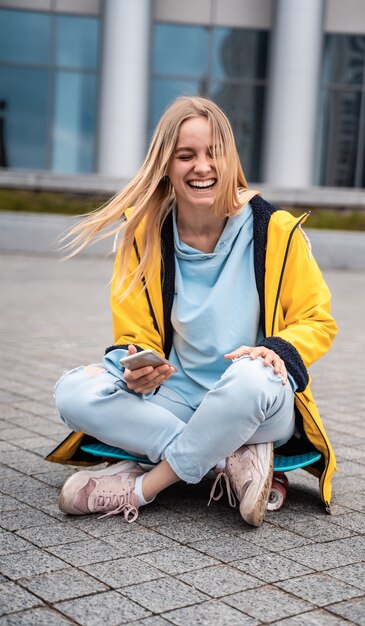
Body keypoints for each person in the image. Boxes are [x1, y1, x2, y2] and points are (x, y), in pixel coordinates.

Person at [47, 96, 338, 527]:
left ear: (230, 158)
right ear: (166, 164)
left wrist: (278, 348)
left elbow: (317, 319)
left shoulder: (276, 231)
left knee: (251, 375)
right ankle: (228, 459)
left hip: (258, 404)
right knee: (72, 392)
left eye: (213, 153)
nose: (202, 166)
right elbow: (136, 335)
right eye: (186, 155)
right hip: (178, 401)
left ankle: (144, 486)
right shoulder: (142, 237)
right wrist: (138, 367)